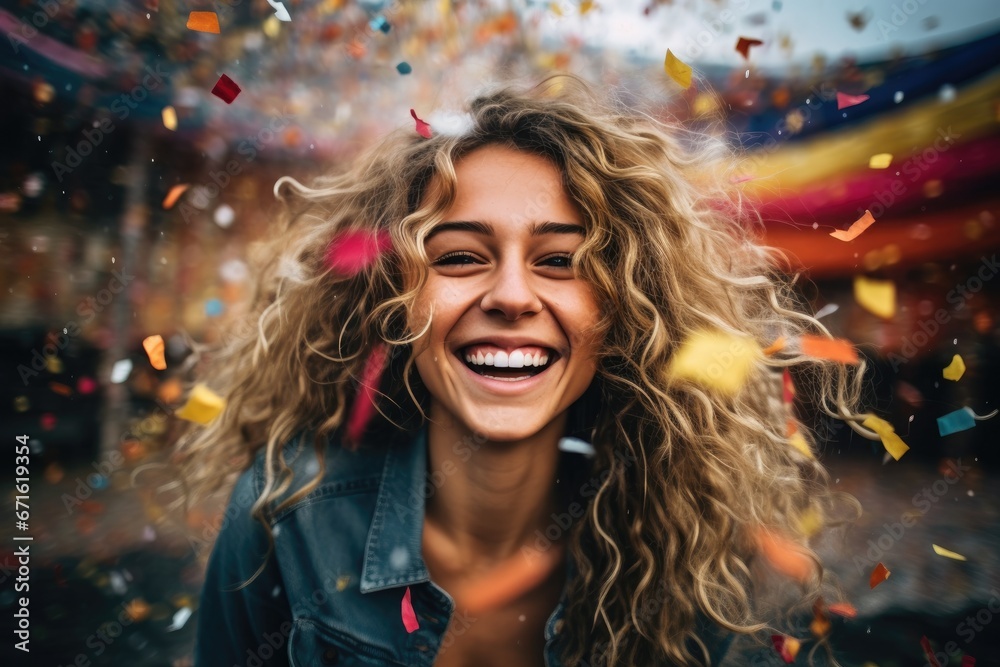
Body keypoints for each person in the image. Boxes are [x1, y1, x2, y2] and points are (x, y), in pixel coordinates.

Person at [179, 75, 868, 666]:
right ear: (392, 300)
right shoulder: (284, 514)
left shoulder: (698, 553)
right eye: (458, 256)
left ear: (625, 310)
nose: (511, 295)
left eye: (562, 260)